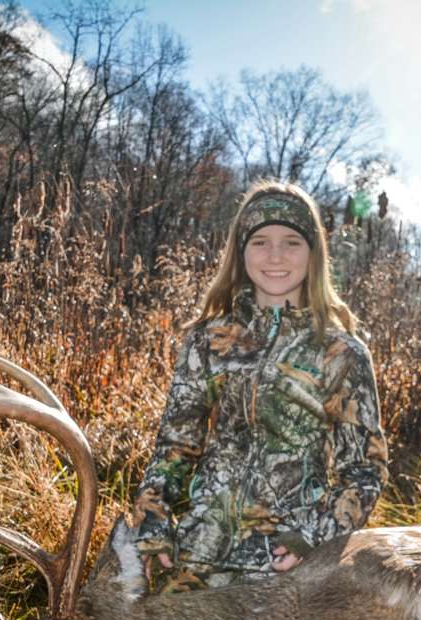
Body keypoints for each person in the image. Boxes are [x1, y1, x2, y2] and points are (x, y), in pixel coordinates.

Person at [128, 179, 389, 592]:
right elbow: (176, 446)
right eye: (260, 242)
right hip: (198, 554)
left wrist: (311, 538)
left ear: (313, 254)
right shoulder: (208, 340)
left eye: (292, 242)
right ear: (241, 252)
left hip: (289, 566)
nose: (275, 256)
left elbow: (364, 471)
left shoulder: (342, 353)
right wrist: (153, 518)